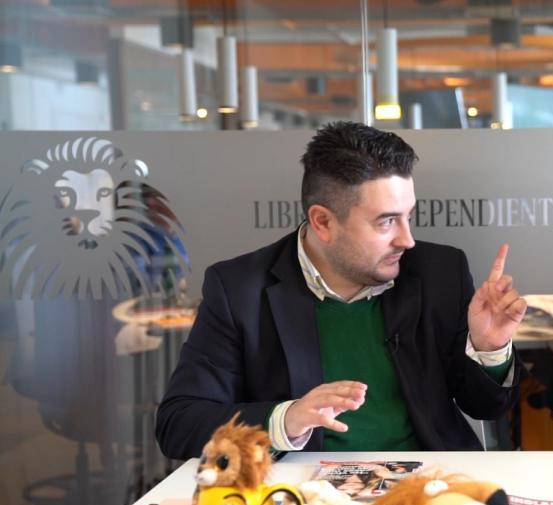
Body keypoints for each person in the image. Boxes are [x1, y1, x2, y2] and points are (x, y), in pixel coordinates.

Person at [156, 122, 527, 459]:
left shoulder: (437, 272)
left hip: (427, 487)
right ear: (323, 222)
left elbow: (485, 406)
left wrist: (489, 348)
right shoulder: (240, 289)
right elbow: (179, 424)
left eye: (408, 216)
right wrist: (286, 419)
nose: (408, 239)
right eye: (386, 222)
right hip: (303, 495)